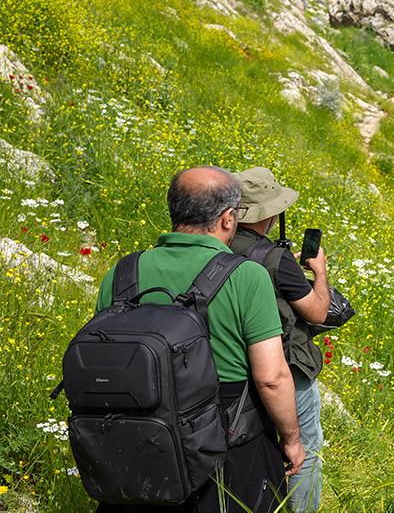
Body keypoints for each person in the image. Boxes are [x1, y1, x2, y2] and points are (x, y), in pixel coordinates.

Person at [93, 166, 303, 512]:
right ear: (228, 218)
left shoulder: (123, 272)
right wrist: (292, 439)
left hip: (136, 441)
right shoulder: (246, 276)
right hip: (225, 447)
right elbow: (271, 379)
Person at [230, 167, 330, 513]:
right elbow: (317, 312)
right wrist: (320, 272)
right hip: (284, 366)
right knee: (306, 448)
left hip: (234, 365)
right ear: (269, 214)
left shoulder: (218, 248)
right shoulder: (275, 259)